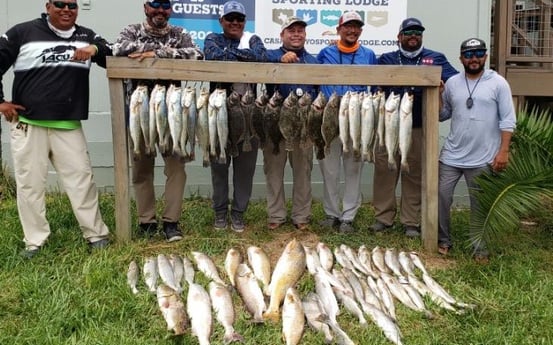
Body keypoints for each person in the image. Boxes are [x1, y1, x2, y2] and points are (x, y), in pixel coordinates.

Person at [0, 0, 111, 258]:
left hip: (68, 125)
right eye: (60, 4)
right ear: (48, 6)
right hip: (29, 124)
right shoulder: (23, 32)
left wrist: (94, 49)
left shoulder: (86, 35)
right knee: (30, 185)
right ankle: (35, 241)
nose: (66, 9)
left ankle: (96, 235)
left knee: (82, 181)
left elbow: (112, 52)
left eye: (72, 5)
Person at [112, 0, 203, 242]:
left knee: (177, 170)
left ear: (170, 10)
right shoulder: (131, 31)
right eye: (155, 6)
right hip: (139, 113)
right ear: (145, 7)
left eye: (165, 6)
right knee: (142, 170)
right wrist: (157, 50)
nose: (160, 11)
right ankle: (147, 222)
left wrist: (156, 54)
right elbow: (117, 48)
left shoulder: (179, 34)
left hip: (172, 113)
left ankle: (171, 222)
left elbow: (196, 53)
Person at [371, 18, 458, 238]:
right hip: (389, 125)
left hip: (418, 127)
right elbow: (374, 85)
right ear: (399, 36)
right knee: (384, 171)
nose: (413, 36)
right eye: (409, 32)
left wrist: (442, 86)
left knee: (414, 173)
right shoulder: (387, 59)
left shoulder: (436, 58)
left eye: (418, 32)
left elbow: (456, 81)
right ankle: (383, 218)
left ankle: (411, 221)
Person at [438, 38, 516, 262]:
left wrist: (503, 151)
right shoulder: (452, 82)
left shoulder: (498, 83)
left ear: (486, 56)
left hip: (483, 158)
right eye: (469, 55)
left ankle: (479, 247)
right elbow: (443, 115)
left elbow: (508, 120)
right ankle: (444, 240)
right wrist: (437, 95)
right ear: (461, 58)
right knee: (442, 198)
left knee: (479, 204)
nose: (474, 59)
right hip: (451, 155)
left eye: (478, 53)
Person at [203, 0, 267, 232]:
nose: (235, 23)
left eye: (239, 19)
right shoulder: (212, 38)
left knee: (245, 169)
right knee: (219, 167)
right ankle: (220, 212)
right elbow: (213, 57)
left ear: (245, 21)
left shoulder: (254, 39)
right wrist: (243, 53)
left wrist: (235, 54)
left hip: (249, 114)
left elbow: (261, 58)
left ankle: (239, 213)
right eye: (230, 18)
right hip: (219, 113)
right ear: (221, 21)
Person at [317, 11, 377, 233]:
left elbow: (376, 85)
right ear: (338, 29)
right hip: (331, 117)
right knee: (329, 170)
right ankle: (331, 213)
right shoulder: (325, 53)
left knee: (353, 169)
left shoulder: (369, 54)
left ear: (360, 30)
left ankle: (348, 217)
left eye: (356, 27)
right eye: (348, 26)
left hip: (357, 118)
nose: (352, 30)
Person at [264, 17, 318, 231]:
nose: (296, 34)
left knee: (303, 171)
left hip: (304, 126)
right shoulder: (269, 56)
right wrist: (278, 62)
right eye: (291, 31)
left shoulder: (313, 62)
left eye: (300, 31)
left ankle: (301, 215)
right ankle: (276, 214)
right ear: (282, 35)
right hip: (275, 123)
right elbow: (257, 65)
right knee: (273, 171)